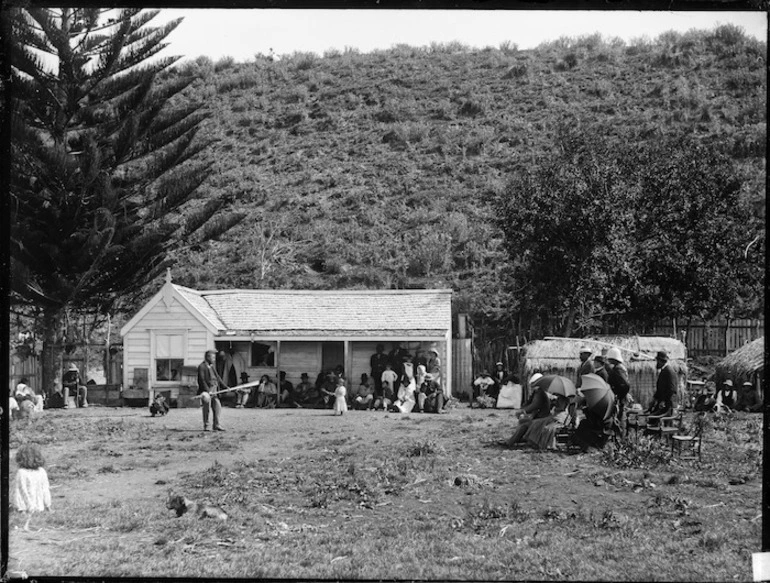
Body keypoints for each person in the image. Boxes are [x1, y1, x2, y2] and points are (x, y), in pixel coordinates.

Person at [12, 444, 52, 530]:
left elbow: (20, 491)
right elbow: (45, 490)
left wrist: (22, 508)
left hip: (26, 508)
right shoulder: (41, 471)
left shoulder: (21, 473)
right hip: (39, 507)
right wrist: (48, 506)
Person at [506, 374, 552, 446]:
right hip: (539, 415)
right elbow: (529, 402)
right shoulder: (538, 392)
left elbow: (535, 405)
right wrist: (523, 409)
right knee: (523, 421)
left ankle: (511, 442)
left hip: (542, 417)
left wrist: (523, 411)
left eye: (533, 384)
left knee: (525, 424)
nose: (532, 386)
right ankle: (517, 439)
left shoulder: (540, 392)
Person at [197, 349, 227, 431]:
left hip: (214, 389)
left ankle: (216, 425)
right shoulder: (201, 366)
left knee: (217, 407)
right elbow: (201, 380)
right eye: (213, 357)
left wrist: (226, 387)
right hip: (206, 391)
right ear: (207, 357)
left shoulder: (212, 366)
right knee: (206, 408)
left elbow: (217, 377)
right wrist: (207, 390)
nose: (214, 359)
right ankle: (206, 425)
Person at [606, 347, 630, 438]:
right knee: (618, 418)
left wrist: (618, 395)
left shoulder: (618, 369)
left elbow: (625, 385)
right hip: (619, 397)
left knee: (619, 418)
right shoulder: (619, 368)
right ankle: (619, 437)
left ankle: (621, 438)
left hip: (619, 398)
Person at [648, 351, 677, 417]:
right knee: (652, 417)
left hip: (667, 403)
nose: (657, 363)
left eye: (657, 361)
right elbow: (660, 389)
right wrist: (654, 399)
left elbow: (671, 389)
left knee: (657, 420)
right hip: (662, 402)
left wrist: (663, 401)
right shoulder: (664, 371)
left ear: (661, 361)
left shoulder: (668, 371)